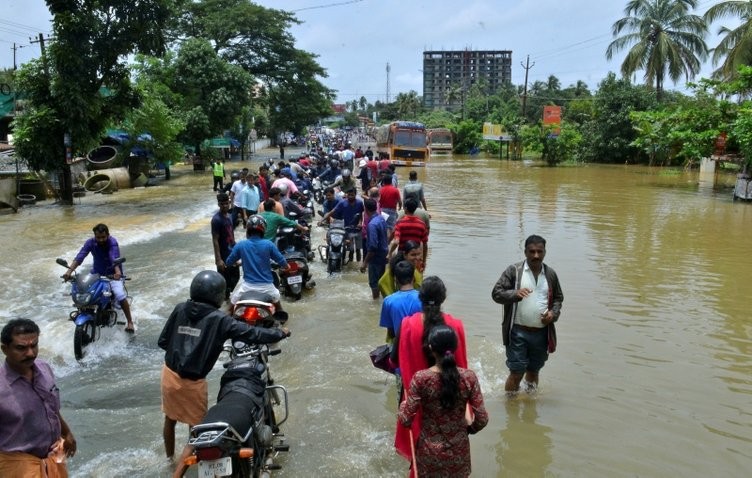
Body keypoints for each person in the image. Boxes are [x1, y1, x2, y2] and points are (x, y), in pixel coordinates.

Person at [158, 271, 290, 460]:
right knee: (197, 431)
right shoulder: (219, 319)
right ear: (218, 296)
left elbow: (163, 341)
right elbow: (252, 333)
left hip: (169, 374)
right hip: (193, 382)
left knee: (169, 420)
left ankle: (170, 459)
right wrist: (280, 334)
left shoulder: (180, 308)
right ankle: (179, 472)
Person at [391, 276, 468, 463]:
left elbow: (394, 361)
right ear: (443, 299)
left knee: (417, 457)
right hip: (448, 399)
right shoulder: (455, 325)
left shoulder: (407, 324)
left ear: (420, 298)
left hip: (415, 402)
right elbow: (462, 367)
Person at [398, 325, 488, 478]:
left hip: (429, 453)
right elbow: (482, 419)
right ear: (455, 346)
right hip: (459, 451)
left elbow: (406, 419)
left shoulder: (421, 378)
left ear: (431, 348)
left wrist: (403, 405)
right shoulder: (469, 377)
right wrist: (468, 430)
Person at [0, 318, 76, 477]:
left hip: (52, 459)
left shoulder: (44, 369)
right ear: (5, 349)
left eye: (34, 345)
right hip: (16, 468)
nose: (30, 353)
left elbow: (50, 407)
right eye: (21, 348)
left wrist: (67, 433)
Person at [491, 234, 564, 395]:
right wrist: (515, 294)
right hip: (517, 332)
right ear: (525, 252)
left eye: (540, 251)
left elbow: (558, 298)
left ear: (545, 252)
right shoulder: (514, 271)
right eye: (532, 251)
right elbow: (496, 293)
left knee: (533, 372)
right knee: (516, 373)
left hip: (541, 333)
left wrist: (553, 313)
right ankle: (510, 409)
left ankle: (530, 407)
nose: (536, 255)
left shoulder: (550, 274)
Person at [62, 223, 135, 333]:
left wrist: (117, 272)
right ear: (94, 236)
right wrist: (69, 272)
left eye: (103, 237)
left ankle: (130, 322)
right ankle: (83, 311)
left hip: (113, 274)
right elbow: (80, 256)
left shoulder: (112, 242)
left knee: (119, 294)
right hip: (96, 274)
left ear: (108, 235)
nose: (101, 240)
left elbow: (113, 256)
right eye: (98, 237)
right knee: (84, 290)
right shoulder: (90, 243)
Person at [226, 215, 289, 313]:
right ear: (263, 230)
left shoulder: (241, 245)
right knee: (279, 308)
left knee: (230, 308)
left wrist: (237, 262)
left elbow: (228, 262)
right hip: (267, 287)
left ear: (248, 230)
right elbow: (282, 261)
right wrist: (287, 267)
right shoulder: (269, 244)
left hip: (247, 287)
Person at [379, 260, 421, 341]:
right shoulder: (423, 298)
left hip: (399, 346)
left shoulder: (388, 301)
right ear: (413, 278)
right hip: (418, 345)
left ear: (396, 280)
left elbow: (391, 332)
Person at [211, 193, 239, 301]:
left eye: (226, 204)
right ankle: (225, 302)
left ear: (229, 203)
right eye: (222, 204)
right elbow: (215, 240)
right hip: (223, 254)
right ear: (218, 204)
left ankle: (229, 298)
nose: (225, 206)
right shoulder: (216, 220)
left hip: (232, 251)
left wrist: (237, 251)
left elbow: (231, 235)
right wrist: (218, 259)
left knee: (236, 276)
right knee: (225, 283)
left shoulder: (230, 216)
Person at [360, 198, 388, 299]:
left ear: (365, 209)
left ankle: (375, 301)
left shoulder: (372, 225)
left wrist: (364, 263)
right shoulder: (381, 219)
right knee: (381, 281)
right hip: (383, 255)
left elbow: (372, 247)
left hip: (375, 258)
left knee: (374, 283)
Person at [389, 198, 429, 267]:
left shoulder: (400, 223)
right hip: (415, 257)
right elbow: (425, 244)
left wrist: (390, 253)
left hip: (402, 256)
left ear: (405, 208)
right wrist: (424, 261)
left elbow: (396, 242)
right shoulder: (422, 224)